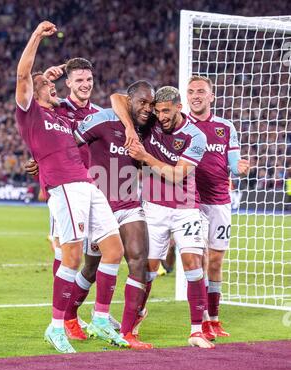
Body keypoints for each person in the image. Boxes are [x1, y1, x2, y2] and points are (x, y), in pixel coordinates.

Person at [15, 21, 127, 353]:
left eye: (51, 82)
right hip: (63, 187)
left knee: (113, 250)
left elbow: (95, 100)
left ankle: (102, 318)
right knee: (72, 258)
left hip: (88, 186)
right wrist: (36, 36)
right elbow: (24, 76)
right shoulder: (30, 112)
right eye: (44, 83)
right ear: (34, 91)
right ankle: (56, 325)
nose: (50, 84)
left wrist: (62, 73)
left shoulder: (65, 115)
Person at [112, 86, 215, 348]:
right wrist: (127, 126)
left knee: (193, 263)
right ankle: (132, 324)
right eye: (157, 111)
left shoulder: (195, 136)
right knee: (147, 269)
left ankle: (196, 331)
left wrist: (145, 157)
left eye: (166, 111)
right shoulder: (152, 123)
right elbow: (116, 98)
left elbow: (178, 175)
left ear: (179, 107)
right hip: (153, 207)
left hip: (186, 207)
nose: (161, 116)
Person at [74, 80, 156, 349]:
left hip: (130, 205)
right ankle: (68, 318)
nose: (147, 109)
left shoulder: (149, 127)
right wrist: (43, 160)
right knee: (91, 267)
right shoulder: (103, 120)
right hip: (101, 207)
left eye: (151, 104)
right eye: (142, 103)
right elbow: (71, 141)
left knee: (139, 261)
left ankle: (128, 332)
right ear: (131, 100)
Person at [186, 75, 250, 339]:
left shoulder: (225, 127)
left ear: (211, 96)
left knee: (215, 261)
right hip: (191, 203)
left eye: (201, 91)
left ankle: (214, 319)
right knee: (198, 260)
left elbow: (233, 164)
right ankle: (199, 321)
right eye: (191, 92)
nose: (196, 95)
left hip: (220, 201)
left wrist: (240, 168)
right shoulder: (181, 125)